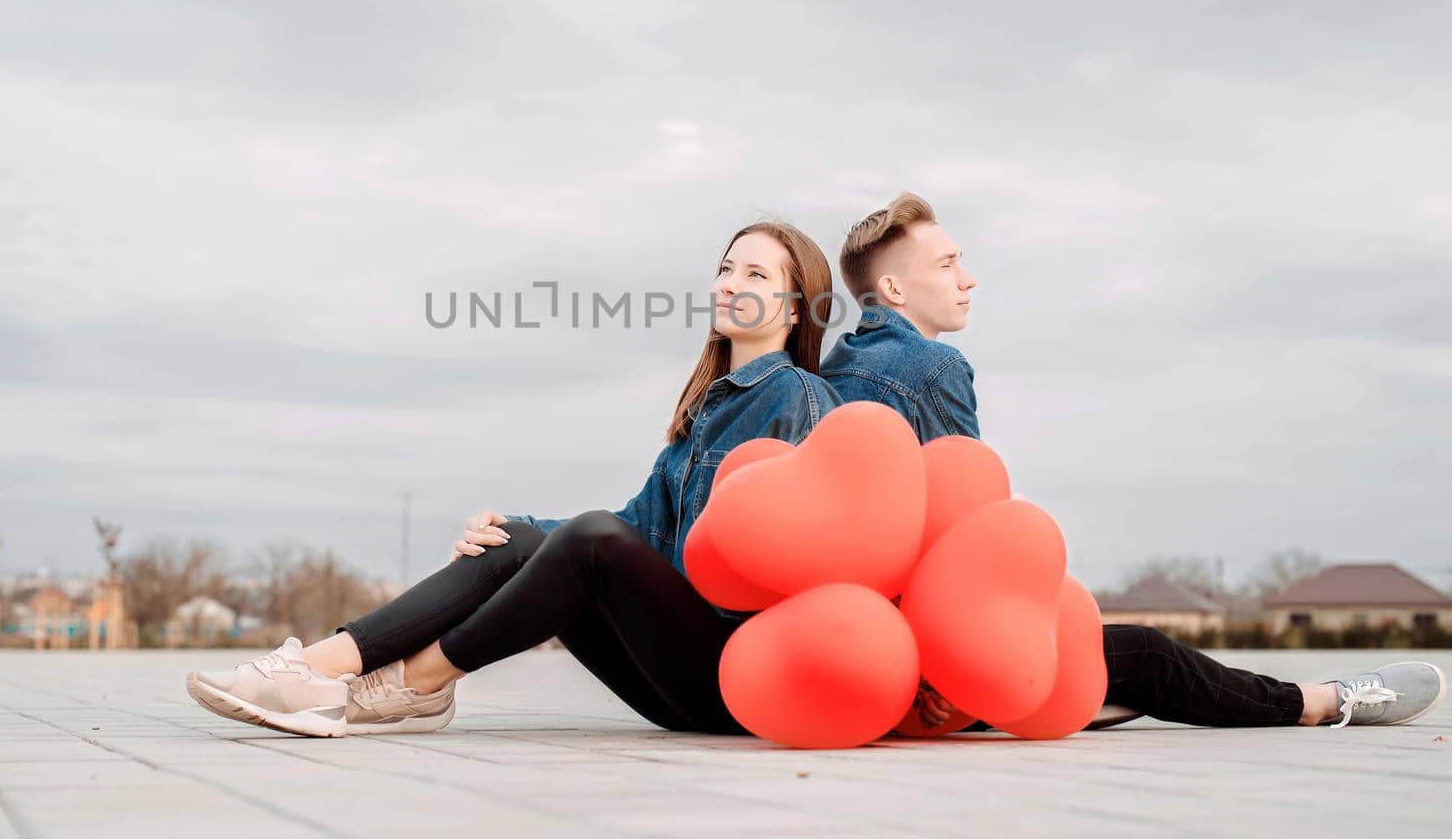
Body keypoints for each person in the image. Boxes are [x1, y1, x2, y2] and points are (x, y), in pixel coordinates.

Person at [186, 218, 842, 737]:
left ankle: (412, 683)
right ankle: (319, 668)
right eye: (725, 268)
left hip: (735, 677)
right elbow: (641, 526)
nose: (729, 283)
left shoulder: (798, 398)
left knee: (590, 538)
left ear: (792, 309)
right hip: (675, 682)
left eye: (755, 273)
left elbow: (798, 555)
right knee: (529, 537)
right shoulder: (708, 406)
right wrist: (513, 532)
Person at [823, 191, 1446, 731]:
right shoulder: (932, 366)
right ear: (895, 289)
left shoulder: (838, 368)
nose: (969, 278)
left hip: (863, 651)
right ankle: (1322, 702)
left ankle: (1090, 696)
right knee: (1148, 654)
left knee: (1111, 665)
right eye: (948, 263)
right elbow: (971, 527)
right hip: (936, 667)